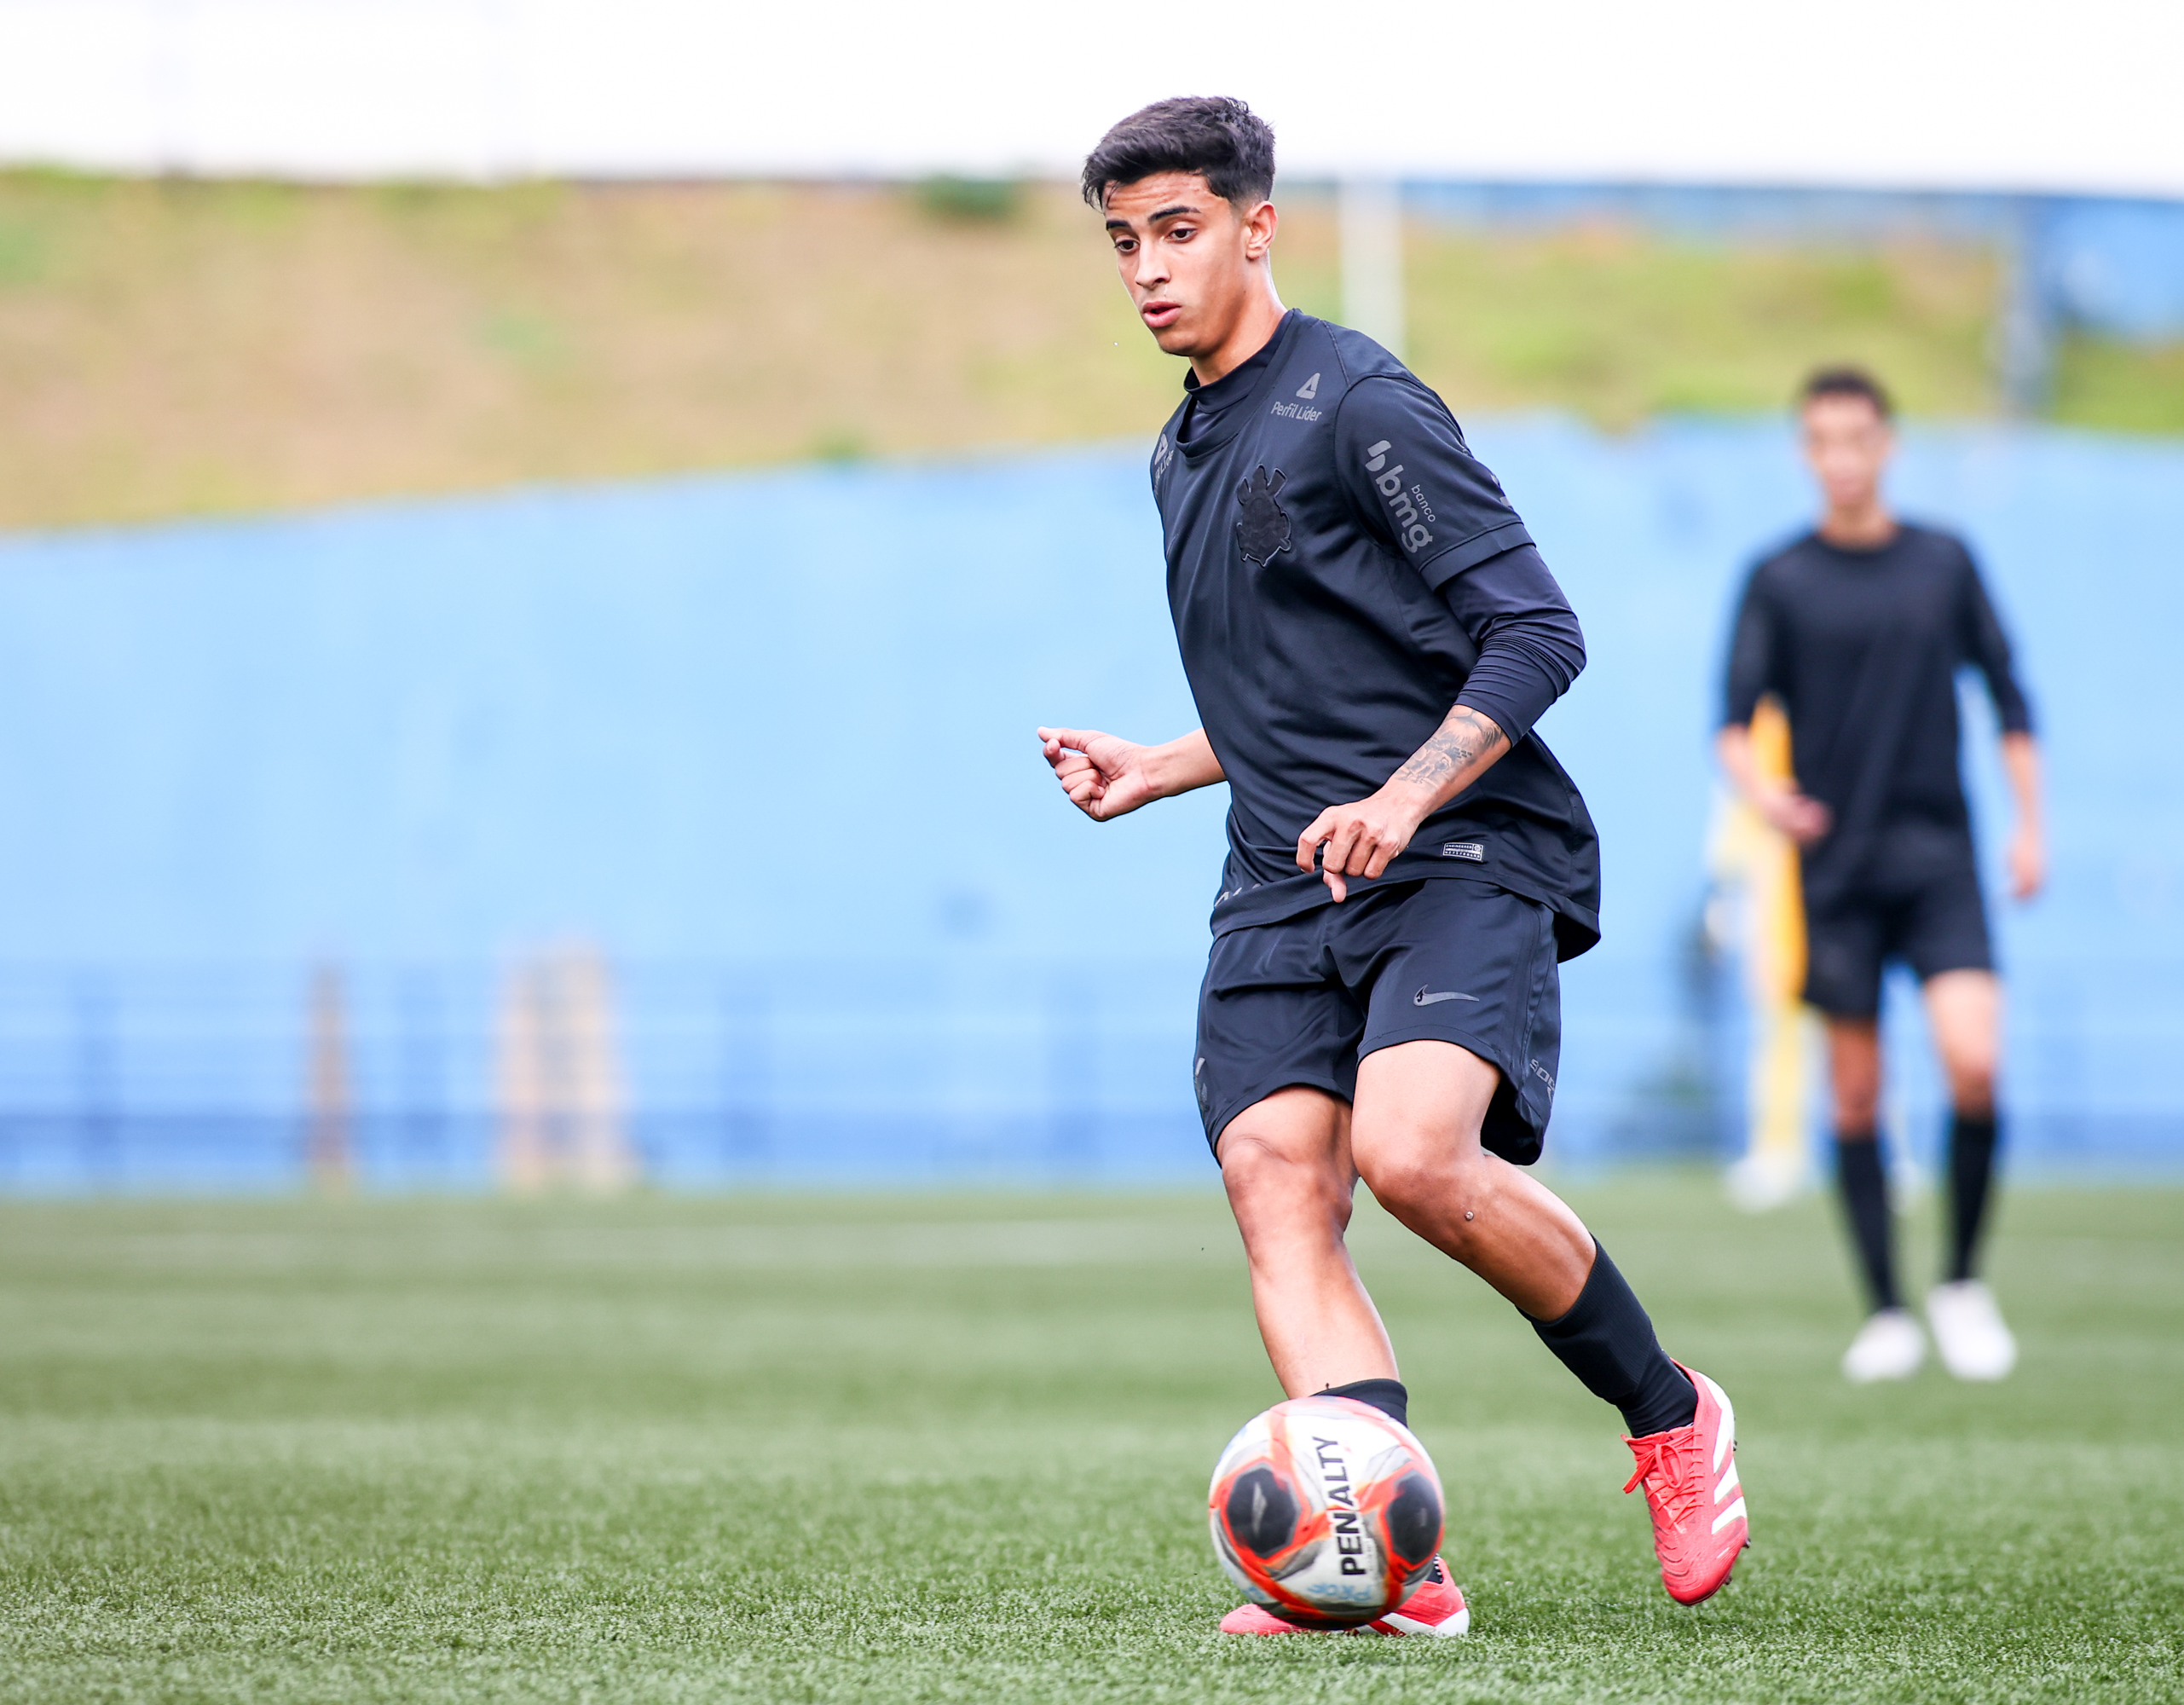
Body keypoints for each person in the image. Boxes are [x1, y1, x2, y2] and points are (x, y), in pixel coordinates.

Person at [1037, 96, 1748, 1635]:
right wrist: (1165, 762)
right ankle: (1386, 1567)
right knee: (1273, 1179)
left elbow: (1533, 632)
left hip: (1457, 846)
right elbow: (1301, 688)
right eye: (1121, 242)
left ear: (1253, 225)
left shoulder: (1360, 403)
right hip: (1281, 872)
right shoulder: (1176, 451)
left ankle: (1672, 1412)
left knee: (1414, 1155)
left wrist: (1409, 800)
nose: (1148, 269)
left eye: (1175, 230)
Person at [1718, 367, 2042, 1384]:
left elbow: (2009, 694)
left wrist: (2030, 826)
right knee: (1856, 1093)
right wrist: (1766, 799)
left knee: (1974, 1060)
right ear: (1807, 452)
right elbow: (1731, 724)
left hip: (1939, 858)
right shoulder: (1780, 577)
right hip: (1837, 870)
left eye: (1858, 436)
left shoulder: (1944, 563)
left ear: (1887, 442)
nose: (1843, 456)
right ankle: (1890, 1309)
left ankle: (1960, 1282)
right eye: (1823, 439)